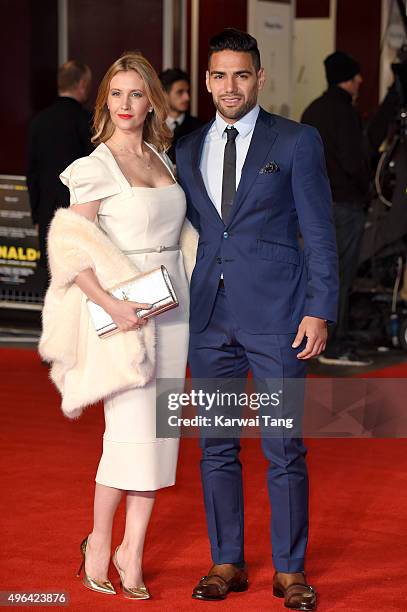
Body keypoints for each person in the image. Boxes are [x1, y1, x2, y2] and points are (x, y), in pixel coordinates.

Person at [176, 29, 338, 610]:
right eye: (218, 75)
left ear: (260, 78)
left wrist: (320, 308)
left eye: (240, 75)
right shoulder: (187, 147)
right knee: (215, 445)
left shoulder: (295, 141)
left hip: (277, 320)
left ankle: (291, 570)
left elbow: (319, 231)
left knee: (282, 446)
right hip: (210, 321)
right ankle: (227, 561)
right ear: (207, 79)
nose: (229, 86)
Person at [39, 52, 197, 599]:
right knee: (127, 434)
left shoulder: (162, 156)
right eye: (116, 94)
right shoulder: (95, 167)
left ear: (150, 98)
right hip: (125, 311)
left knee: (161, 435)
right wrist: (110, 303)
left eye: (136, 94)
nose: (126, 105)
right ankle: (100, 542)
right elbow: (71, 249)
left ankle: (134, 552)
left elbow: (182, 237)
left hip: (173, 307)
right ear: (103, 100)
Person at [301, 51, 399, 366]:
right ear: (348, 77)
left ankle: (320, 340)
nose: (361, 81)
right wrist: (366, 188)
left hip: (315, 206)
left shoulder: (313, 110)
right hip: (344, 206)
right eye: (357, 75)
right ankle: (334, 344)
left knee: (322, 276)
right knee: (341, 276)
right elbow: (356, 159)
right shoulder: (343, 113)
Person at [27, 60, 93, 275]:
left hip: (47, 213)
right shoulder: (87, 121)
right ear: (82, 84)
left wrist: (37, 216)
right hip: (80, 215)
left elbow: (32, 174)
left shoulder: (38, 121)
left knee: (51, 279)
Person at [159, 68, 203, 163]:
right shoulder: (151, 126)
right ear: (164, 94)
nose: (187, 98)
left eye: (187, 92)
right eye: (180, 92)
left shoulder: (199, 128)